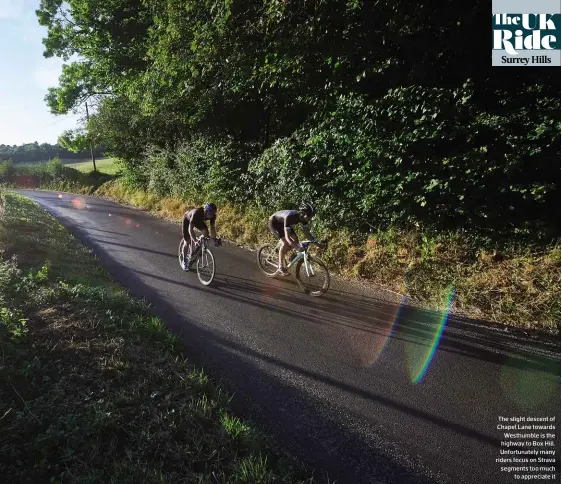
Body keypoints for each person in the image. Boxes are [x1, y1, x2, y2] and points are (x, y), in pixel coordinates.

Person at [268, 202, 317, 276]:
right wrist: (297, 247)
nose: (310, 218)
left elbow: (307, 234)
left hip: (283, 223)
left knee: (296, 240)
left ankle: (291, 256)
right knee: (285, 243)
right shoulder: (290, 217)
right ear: (303, 214)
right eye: (309, 216)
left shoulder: (303, 218)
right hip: (274, 223)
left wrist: (317, 243)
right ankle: (280, 267)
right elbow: (287, 238)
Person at [181, 203, 220, 271]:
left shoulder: (213, 216)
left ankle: (197, 248)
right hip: (187, 220)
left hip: (199, 221)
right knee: (187, 242)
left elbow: (212, 228)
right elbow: (190, 229)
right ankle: (184, 261)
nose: (211, 216)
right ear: (206, 211)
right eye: (210, 214)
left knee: (206, 233)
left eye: (213, 214)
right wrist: (195, 240)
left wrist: (214, 239)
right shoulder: (197, 213)